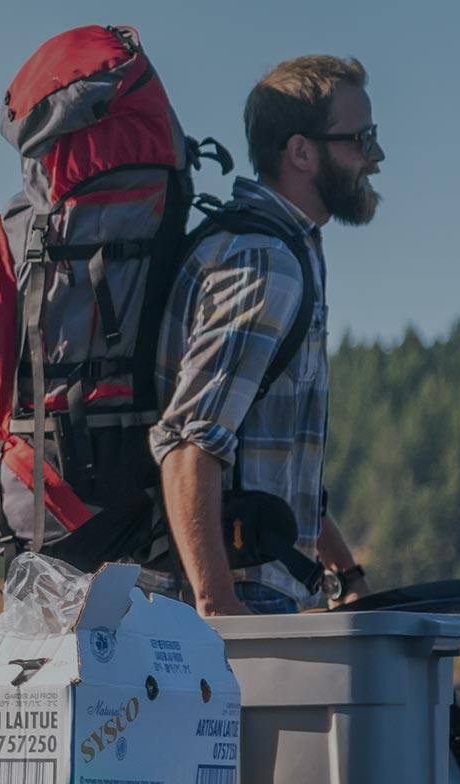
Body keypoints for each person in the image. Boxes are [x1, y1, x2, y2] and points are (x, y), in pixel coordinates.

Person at [147, 56, 384, 615]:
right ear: (301, 153)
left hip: (260, 587)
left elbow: (271, 456)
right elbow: (188, 444)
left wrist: (344, 569)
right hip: (236, 597)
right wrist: (220, 613)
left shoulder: (290, 249)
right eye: (362, 139)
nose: (376, 157)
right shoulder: (265, 263)